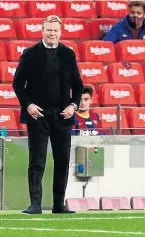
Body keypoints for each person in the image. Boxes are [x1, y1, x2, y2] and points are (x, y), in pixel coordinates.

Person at [12, 15, 84, 215]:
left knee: (62, 160)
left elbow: (78, 86)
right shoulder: (30, 53)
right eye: (49, 30)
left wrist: (73, 105)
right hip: (38, 115)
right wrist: (28, 105)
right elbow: (17, 83)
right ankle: (35, 204)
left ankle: (58, 205)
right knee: (37, 160)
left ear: (61, 32)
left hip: (63, 115)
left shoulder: (68, 54)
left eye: (55, 30)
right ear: (42, 31)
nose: (52, 33)